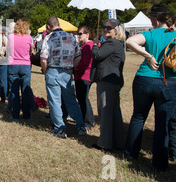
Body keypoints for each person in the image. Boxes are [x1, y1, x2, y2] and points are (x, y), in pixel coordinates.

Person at [124, 12, 176, 171]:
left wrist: (148, 56)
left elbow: (130, 41)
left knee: (138, 117)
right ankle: (160, 163)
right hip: (170, 82)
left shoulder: (150, 34)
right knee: (163, 123)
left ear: (157, 21)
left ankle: (130, 153)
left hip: (144, 79)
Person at [40, 16, 86, 137]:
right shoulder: (71, 37)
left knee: (55, 101)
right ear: (59, 24)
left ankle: (59, 128)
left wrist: (46, 72)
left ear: (48, 27)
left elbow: (43, 58)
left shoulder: (48, 38)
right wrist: (72, 68)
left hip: (53, 70)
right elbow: (78, 56)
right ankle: (80, 125)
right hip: (67, 72)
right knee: (71, 100)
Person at [90, 18, 126, 151]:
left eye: (109, 28)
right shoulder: (117, 44)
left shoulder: (111, 43)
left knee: (105, 112)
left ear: (116, 31)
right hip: (114, 82)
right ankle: (118, 142)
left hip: (107, 82)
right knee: (115, 112)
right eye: (104, 27)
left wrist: (95, 44)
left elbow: (97, 55)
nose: (105, 29)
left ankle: (104, 143)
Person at [7, 19, 34, 120]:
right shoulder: (29, 38)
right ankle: (26, 114)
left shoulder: (10, 37)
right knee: (25, 90)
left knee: (14, 91)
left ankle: (15, 114)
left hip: (13, 64)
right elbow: (31, 51)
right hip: (25, 64)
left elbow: (8, 50)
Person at [74, 25, 96, 130]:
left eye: (80, 33)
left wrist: (75, 68)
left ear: (87, 35)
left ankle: (87, 121)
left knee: (83, 99)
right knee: (83, 98)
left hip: (84, 76)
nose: (78, 35)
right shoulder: (87, 45)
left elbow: (85, 63)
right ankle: (90, 120)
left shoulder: (88, 46)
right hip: (84, 76)